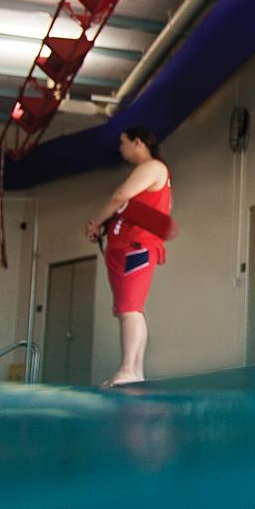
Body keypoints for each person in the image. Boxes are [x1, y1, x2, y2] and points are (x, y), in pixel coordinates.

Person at [85, 127, 172, 387]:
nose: (120, 148)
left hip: (135, 247)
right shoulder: (153, 174)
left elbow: (120, 196)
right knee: (130, 310)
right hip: (130, 245)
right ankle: (134, 370)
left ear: (138, 143)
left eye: (123, 143)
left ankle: (129, 370)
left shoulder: (153, 167)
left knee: (129, 310)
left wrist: (95, 223)